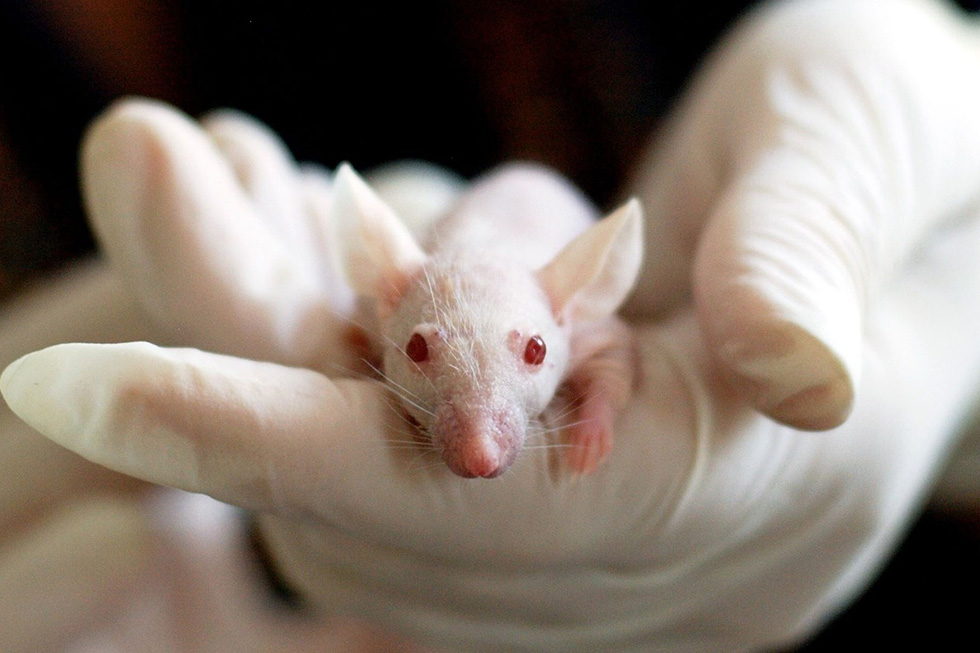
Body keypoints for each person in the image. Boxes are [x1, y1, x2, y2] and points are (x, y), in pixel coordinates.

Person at [3, 0, 980, 649]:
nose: (478, 446)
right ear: (381, 300)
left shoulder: (578, 314)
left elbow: (609, 352)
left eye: (529, 357)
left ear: (578, 295)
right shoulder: (390, 302)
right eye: (416, 352)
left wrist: (952, 330)